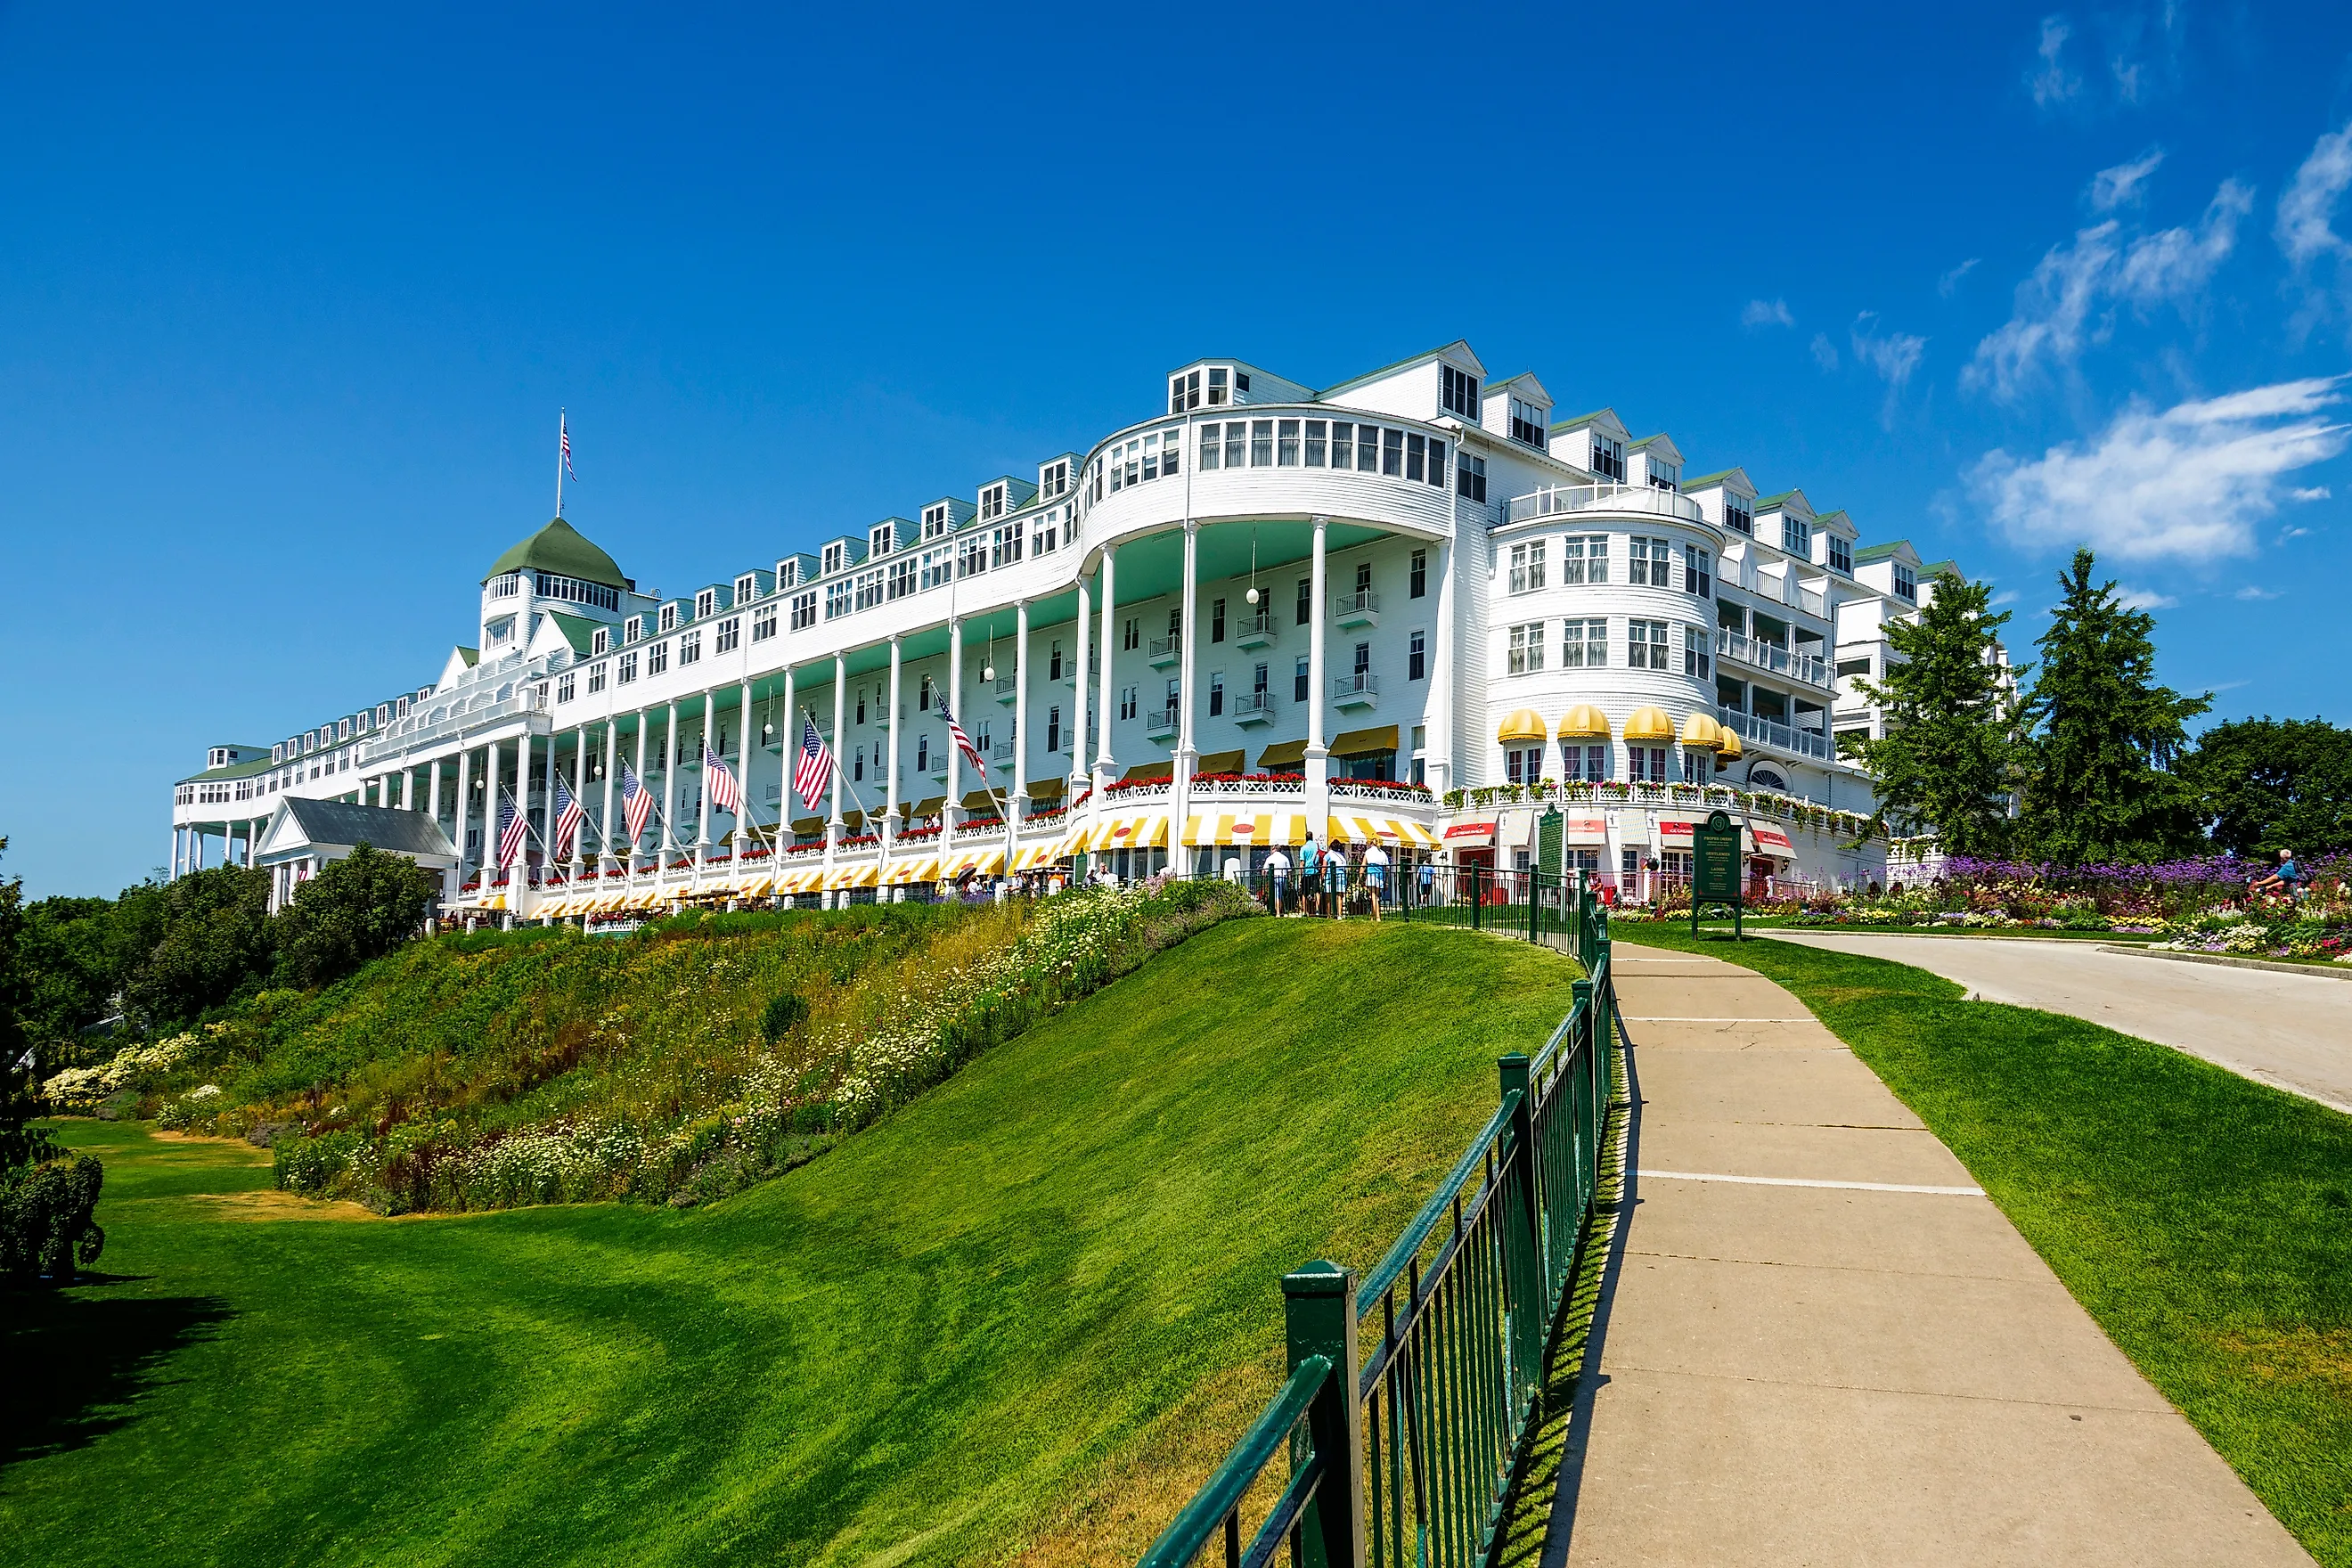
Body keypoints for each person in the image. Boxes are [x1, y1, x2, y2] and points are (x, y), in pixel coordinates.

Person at [1363, 839, 1389, 922]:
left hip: (1371, 875)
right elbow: (1387, 868)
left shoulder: (1368, 852)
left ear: (1371, 844)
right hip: (1380, 875)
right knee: (1375, 897)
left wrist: (1360, 877)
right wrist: (1387, 881)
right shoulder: (1383, 853)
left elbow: (1363, 865)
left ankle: (1378, 917)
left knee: (1373, 897)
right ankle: (1372, 917)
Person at [1299, 832, 1322, 918]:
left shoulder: (1303, 848)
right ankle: (1317, 910)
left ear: (1306, 838)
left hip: (1307, 872)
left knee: (1305, 893)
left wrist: (1300, 875)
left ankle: (1305, 912)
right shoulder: (1316, 846)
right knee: (1317, 891)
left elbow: (1302, 862)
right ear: (1312, 837)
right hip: (1315, 871)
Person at [1326, 838, 1351, 919]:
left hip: (1331, 875)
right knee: (1339, 895)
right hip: (1341, 875)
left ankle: (1329, 914)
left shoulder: (1328, 855)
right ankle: (1339, 914)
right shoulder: (1342, 857)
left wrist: (1322, 877)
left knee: (1329, 895)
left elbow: (1324, 867)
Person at [1266, 845, 1291, 914]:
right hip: (1283, 877)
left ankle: (1278, 912)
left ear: (1275, 849)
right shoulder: (1285, 858)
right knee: (1283, 894)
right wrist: (1290, 880)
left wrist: (1265, 878)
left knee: (1277, 894)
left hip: (1274, 878)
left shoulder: (1270, 858)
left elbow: (1264, 870)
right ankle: (1283, 911)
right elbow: (1289, 871)